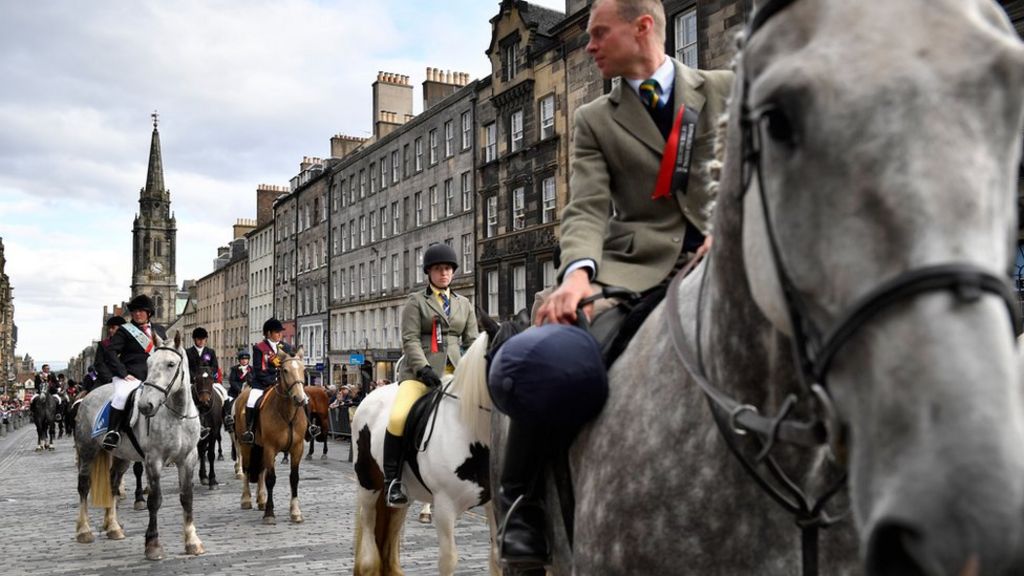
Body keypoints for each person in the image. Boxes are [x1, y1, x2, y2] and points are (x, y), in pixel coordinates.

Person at [503, 0, 735, 567]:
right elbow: (584, 209)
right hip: (637, 270)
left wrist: (729, 230)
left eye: (599, 33)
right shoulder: (593, 120)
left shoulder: (726, 88)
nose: (589, 45)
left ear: (643, 27)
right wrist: (578, 274)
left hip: (729, 255)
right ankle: (521, 504)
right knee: (555, 360)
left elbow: (759, 169)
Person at [382, 243, 479, 507]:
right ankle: (392, 480)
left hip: (457, 372)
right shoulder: (417, 302)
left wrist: (475, 368)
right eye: (438, 269)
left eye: (447, 269)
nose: (444, 273)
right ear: (429, 273)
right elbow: (410, 339)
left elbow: (472, 341)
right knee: (399, 416)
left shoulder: (464, 304)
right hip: (420, 373)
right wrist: (423, 368)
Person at [101, 294, 167, 451]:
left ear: (149, 313)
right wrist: (122, 373)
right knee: (122, 395)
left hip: (154, 376)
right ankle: (113, 431)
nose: (137, 314)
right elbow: (110, 352)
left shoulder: (160, 330)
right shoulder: (125, 330)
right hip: (130, 375)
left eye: (141, 311)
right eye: (134, 311)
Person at [241, 318, 319, 445]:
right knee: (251, 401)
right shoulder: (259, 348)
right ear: (268, 333)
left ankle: (310, 427)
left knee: (304, 398)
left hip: (284, 383)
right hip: (262, 383)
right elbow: (258, 369)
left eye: (280, 332)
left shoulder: (286, 347)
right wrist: (272, 380)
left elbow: (293, 363)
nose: (279, 334)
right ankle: (250, 431)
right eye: (277, 332)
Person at [93, 316, 126, 388]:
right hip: (105, 380)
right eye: (109, 328)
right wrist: (110, 379)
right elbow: (99, 364)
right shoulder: (103, 344)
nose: (110, 330)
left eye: (113, 328)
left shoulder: (129, 344)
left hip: (125, 378)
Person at [224, 350, 252, 426]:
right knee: (228, 402)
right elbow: (232, 381)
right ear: (239, 360)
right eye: (242, 359)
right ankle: (228, 418)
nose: (244, 361)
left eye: (246, 359)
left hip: (248, 392)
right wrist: (240, 389)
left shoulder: (252, 369)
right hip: (235, 392)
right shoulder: (234, 369)